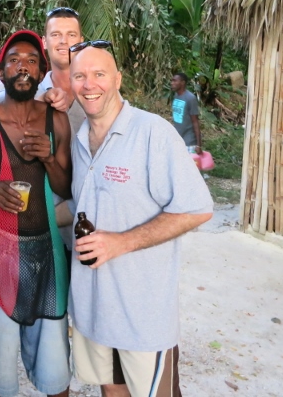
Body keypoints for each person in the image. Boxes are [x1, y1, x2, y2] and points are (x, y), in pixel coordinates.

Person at [67, 42, 213, 397]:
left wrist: (121, 242)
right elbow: (83, 202)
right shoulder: (80, 139)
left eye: (99, 74)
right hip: (93, 312)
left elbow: (197, 207)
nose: (89, 85)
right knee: (111, 390)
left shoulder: (152, 133)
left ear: (118, 79)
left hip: (141, 315)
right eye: (80, 76)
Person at [0, 30, 73, 397]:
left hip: (48, 257)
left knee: (57, 371)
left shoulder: (56, 120)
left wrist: (47, 156)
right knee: (0, 370)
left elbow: (64, 187)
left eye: (30, 60)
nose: (22, 67)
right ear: (0, 72)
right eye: (13, 60)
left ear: (43, 70)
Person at [170, 72, 202, 154]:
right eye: (172, 81)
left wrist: (198, 145)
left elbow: (195, 121)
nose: (172, 83)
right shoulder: (176, 96)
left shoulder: (190, 98)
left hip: (188, 142)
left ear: (183, 83)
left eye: (175, 81)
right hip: (177, 140)